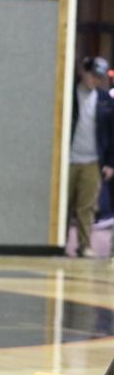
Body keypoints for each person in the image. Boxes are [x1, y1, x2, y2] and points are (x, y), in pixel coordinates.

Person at [69, 56, 114, 258]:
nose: (96, 80)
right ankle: (59, 244)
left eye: (99, 77)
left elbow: (112, 134)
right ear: (83, 72)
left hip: (92, 160)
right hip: (68, 160)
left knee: (87, 207)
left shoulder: (105, 100)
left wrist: (110, 163)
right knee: (65, 204)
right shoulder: (69, 95)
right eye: (93, 76)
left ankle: (84, 245)